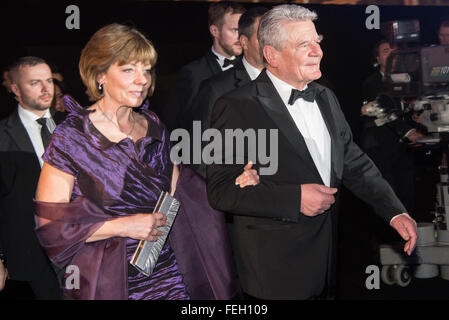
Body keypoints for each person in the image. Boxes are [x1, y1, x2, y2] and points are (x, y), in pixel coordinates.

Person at [206, 5, 418, 300]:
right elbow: (220, 191)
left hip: (327, 266)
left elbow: (354, 162)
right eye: (304, 44)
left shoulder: (325, 96)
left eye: (317, 42)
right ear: (272, 55)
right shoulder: (236, 107)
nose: (317, 51)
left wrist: (394, 211)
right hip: (274, 272)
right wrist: (295, 198)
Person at [33, 23, 257, 300]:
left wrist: (232, 182)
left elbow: (185, 191)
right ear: (99, 74)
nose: (143, 80)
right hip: (110, 280)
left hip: (167, 271)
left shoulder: (153, 125)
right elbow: (51, 227)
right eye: (128, 69)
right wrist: (124, 225)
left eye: (147, 69)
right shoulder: (71, 137)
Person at [0, 56, 65, 299]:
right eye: (35, 82)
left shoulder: (73, 127)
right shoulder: (3, 137)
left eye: (48, 80)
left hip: (79, 248)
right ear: (15, 89)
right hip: (27, 254)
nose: (46, 88)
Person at [191, 6, 268, 178]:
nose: (270, 42)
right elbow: (200, 154)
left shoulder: (290, 84)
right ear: (244, 42)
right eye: (263, 36)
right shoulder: (216, 88)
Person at [361, 39, 423, 214]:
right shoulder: (372, 83)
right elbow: (385, 112)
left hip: (406, 151)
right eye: (386, 51)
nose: (392, 55)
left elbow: (411, 109)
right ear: (378, 58)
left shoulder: (407, 79)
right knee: (388, 200)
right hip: (382, 149)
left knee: (407, 197)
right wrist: (410, 132)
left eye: (395, 50)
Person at [177, 1, 246, 129]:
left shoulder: (251, 66)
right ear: (214, 31)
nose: (240, 37)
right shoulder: (194, 73)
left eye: (242, 30)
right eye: (235, 30)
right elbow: (189, 126)